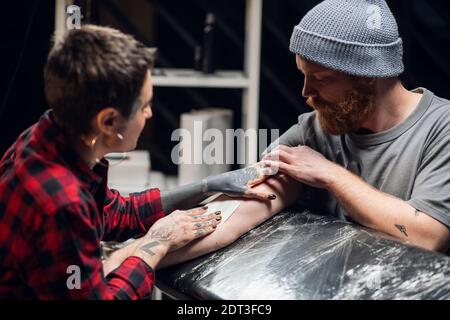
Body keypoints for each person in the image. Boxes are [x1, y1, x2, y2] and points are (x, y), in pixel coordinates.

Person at [156, 0, 450, 268]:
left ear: (368, 76)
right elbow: (238, 211)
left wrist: (330, 175)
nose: (306, 92)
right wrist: (140, 256)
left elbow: (427, 237)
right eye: (303, 74)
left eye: (321, 79)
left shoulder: (441, 129)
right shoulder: (316, 129)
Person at [0, 25, 275, 299]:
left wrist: (206, 186)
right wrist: (156, 244)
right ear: (108, 121)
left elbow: (112, 214)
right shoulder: (63, 204)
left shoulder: (43, 138)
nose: (151, 113)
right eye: (144, 106)